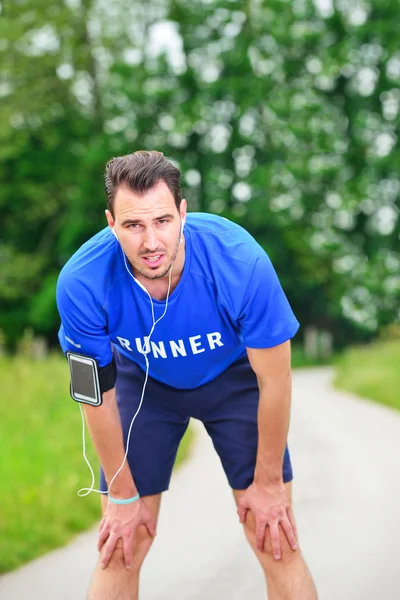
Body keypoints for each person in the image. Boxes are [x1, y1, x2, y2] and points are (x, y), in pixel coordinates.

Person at [56, 150, 318, 600]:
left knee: (274, 537)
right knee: (123, 543)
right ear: (110, 223)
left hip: (232, 379)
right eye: (133, 225)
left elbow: (276, 380)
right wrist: (120, 495)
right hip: (144, 385)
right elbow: (93, 393)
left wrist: (270, 484)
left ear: (183, 212)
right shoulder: (81, 281)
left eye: (162, 221)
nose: (150, 241)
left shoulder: (240, 262)